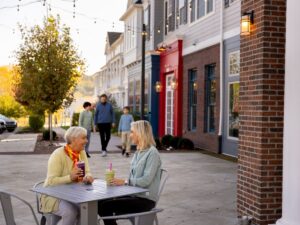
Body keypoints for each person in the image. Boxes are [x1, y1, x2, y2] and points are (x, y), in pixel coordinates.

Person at [98, 120, 162, 225]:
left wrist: (125, 182)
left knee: (106, 206)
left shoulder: (152, 153)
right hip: (134, 195)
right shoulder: (139, 151)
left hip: (146, 200)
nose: (130, 135)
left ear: (140, 133)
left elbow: (146, 180)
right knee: (100, 202)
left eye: (132, 132)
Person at [40, 126, 94, 225]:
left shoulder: (82, 153)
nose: (86, 140)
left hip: (74, 194)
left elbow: (87, 171)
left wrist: (88, 176)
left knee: (87, 210)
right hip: (53, 195)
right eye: (83, 138)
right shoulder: (58, 154)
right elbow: (51, 181)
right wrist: (70, 177)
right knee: (70, 212)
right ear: (73, 139)